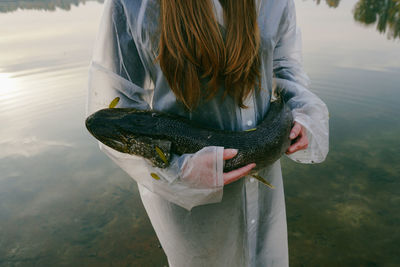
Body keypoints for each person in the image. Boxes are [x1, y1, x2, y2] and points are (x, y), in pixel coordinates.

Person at [86, 0, 329, 266]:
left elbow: (285, 68)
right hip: (192, 209)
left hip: (265, 195)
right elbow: (113, 104)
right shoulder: (131, 4)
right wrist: (178, 170)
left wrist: (301, 114)